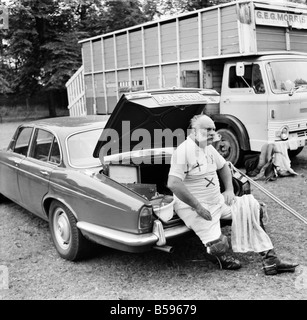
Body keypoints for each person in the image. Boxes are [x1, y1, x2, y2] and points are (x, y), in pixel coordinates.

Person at [167, 114, 298, 275]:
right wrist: (198, 207)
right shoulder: (183, 151)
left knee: (254, 209)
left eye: (213, 129)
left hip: (218, 202)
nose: (212, 133)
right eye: (207, 129)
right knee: (219, 246)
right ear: (193, 131)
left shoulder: (207, 147)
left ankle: (270, 260)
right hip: (195, 208)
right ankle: (217, 256)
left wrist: (229, 190)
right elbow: (173, 183)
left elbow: (223, 167)